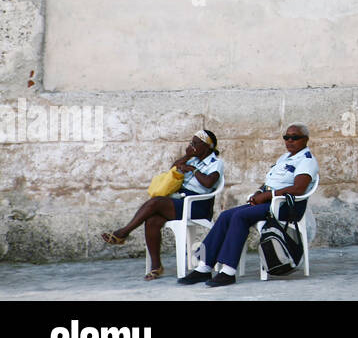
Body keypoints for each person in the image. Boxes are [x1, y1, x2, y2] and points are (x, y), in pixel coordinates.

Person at [179, 122, 318, 288]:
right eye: (286, 137)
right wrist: (258, 194)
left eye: (294, 138)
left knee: (240, 216)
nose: (289, 141)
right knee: (225, 216)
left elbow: (299, 188)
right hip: (269, 201)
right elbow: (270, 183)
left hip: (285, 206)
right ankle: (204, 267)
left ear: (306, 140)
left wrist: (268, 195)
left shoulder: (306, 160)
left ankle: (228, 271)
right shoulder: (285, 158)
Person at [101, 129, 223, 281]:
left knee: (156, 202)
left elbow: (209, 182)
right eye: (191, 142)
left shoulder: (215, 163)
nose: (192, 145)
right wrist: (187, 156)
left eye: (195, 143)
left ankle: (123, 232)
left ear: (206, 146)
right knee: (152, 220)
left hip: (197, 205)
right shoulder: (192, 159)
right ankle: (156, 266)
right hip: (180, 201)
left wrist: (193, 170)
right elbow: (173, 169)